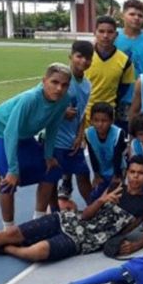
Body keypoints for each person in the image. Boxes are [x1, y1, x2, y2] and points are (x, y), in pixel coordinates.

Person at [0, 156, 143, 266]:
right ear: (128, 172)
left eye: (141, 173)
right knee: (9, 232)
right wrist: (102, 200)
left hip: (83, 241)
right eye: (133, 172)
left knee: (35, 254)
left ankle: (6, 249)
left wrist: (135, 245)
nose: (136, 177)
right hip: (67, 220)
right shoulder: (116, 188)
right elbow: (86, 215)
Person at [0, 63, 72, 226]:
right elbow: (10, 132)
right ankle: (8, 229)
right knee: (7, 181)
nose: (59, 88)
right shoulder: (30, 98)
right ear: (44, 81)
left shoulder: (64, 100)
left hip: (23, 135)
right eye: (54, 82)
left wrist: (48, 156)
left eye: (64, 85)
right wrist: (13, 169)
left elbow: (53, 127)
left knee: (51, 170)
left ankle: (38, 221)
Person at [50, 41, 94, 206]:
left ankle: (94, 210)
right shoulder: (59, 81)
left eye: (88, 58)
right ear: (71, 56)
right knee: (51, 179)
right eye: (79, 56)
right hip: (55, 140)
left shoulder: (87, 85)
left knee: (83, 174)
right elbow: (45, 105)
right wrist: (62, 112)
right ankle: (54, 215)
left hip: (73, 141)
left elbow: (82, 114)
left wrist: (80, 136)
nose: (83, 61)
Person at [114, 0, 143, 132]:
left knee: (138, 133)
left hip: (139, 95)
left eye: (140, 15)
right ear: (123, 15)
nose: (136, 18)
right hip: (115, 94)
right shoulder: (113, 36)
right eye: (132, 14)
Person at [84, 16, 135, 127]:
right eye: (101, 31)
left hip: (109, 116)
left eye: (110, 32)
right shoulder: (84, 56)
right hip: (84, 115)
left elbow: (124, 88)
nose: (105, 36)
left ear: (116, 35)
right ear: (95, 33)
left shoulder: (125, 61)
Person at [85, 102, 127, 201]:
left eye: (104, 120)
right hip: (102, 171)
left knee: (114, 198)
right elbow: (92, 154)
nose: (100, 124)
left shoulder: (118, 133)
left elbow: (117, 156)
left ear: (111, 121)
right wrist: (96, 174)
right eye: (96, 120)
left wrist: (117, 176)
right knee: (94, 198)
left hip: (117, 171)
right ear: (91, 120)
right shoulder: (88, 133)